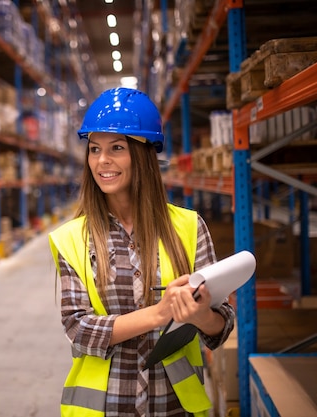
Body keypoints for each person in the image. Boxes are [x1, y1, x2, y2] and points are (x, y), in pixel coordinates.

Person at [48, 87, 235, 417]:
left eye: (116, 148)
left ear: (144, 154)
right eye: (94, 149)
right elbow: (79, 330)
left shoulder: (188, 227)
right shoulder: (73, 238)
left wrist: (200, 315)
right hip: (105, 408)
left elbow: (220, 329)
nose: (102, 160)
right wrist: (161, 314)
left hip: (174, 406)